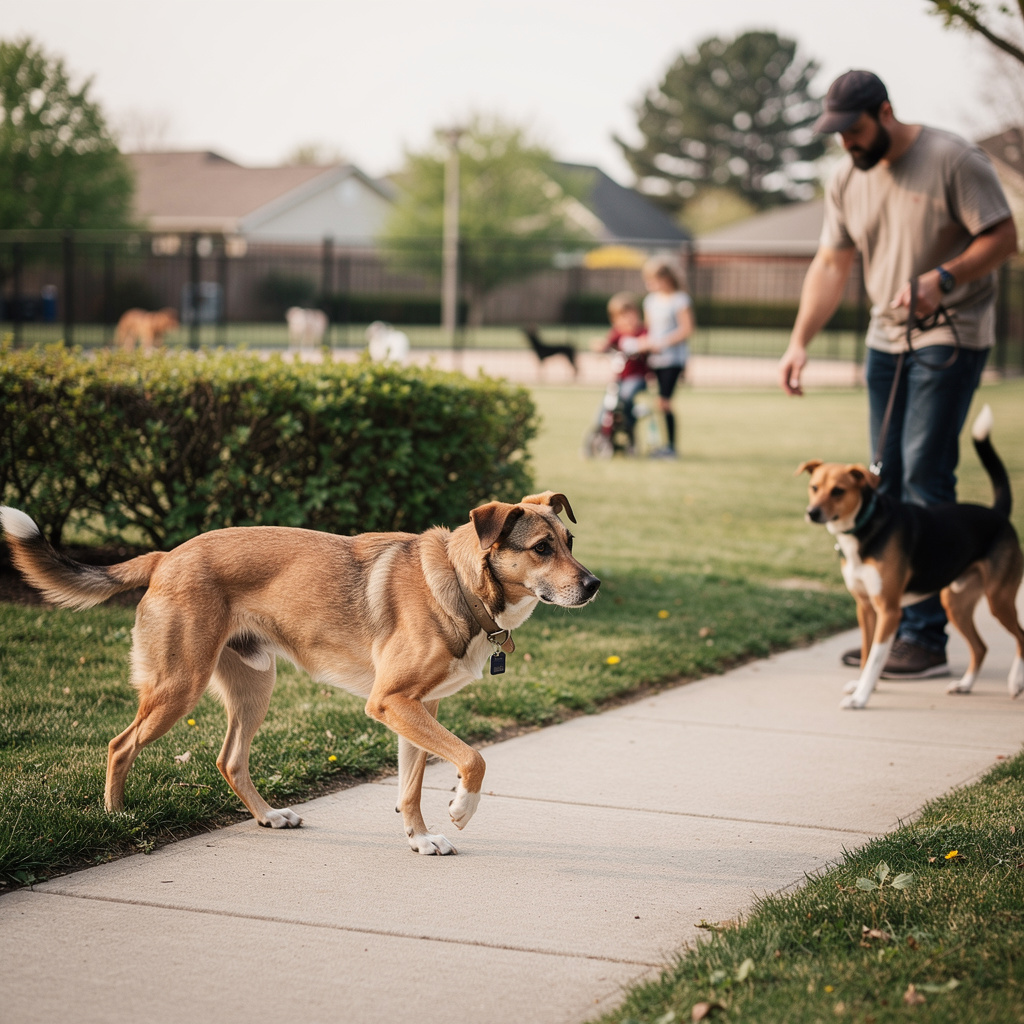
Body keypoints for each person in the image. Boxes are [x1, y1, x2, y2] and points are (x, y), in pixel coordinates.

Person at [778, 69, 1018, 679]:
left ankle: (925, 635)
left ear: (884, 113)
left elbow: (1004, 236)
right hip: (885, 340)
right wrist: (799, 340)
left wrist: (943, 278)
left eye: (854, 130)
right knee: (883, 475)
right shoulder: (845, 179)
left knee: (924, 468)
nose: (848, 145)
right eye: (838, 135)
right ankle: (895, 614)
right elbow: (831, 263)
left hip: (952, 331)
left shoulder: (952, 159)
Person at [642, 258, 694, 458]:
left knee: (664, 402)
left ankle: (671, 447)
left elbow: (686, 329)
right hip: (655, 359)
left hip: (672, 359)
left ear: (666, 279)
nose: (650, 284)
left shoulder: (680, 300)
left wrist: (662, 342)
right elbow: (649, 330)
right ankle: (660, 445)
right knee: (657, 403)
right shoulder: (651, 301)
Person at [592, 292, 650, 452]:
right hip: (619, 378)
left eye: (630, 316)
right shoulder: (618, 332)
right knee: (608, 401)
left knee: (626, 395)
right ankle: (599, 428)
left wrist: (638, 345)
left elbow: (648, 343)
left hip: (637, 377)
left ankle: (631, 421)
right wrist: (600, 347)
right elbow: (604, 344)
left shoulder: (641, 332)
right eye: (622, 317)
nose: (627, 321)